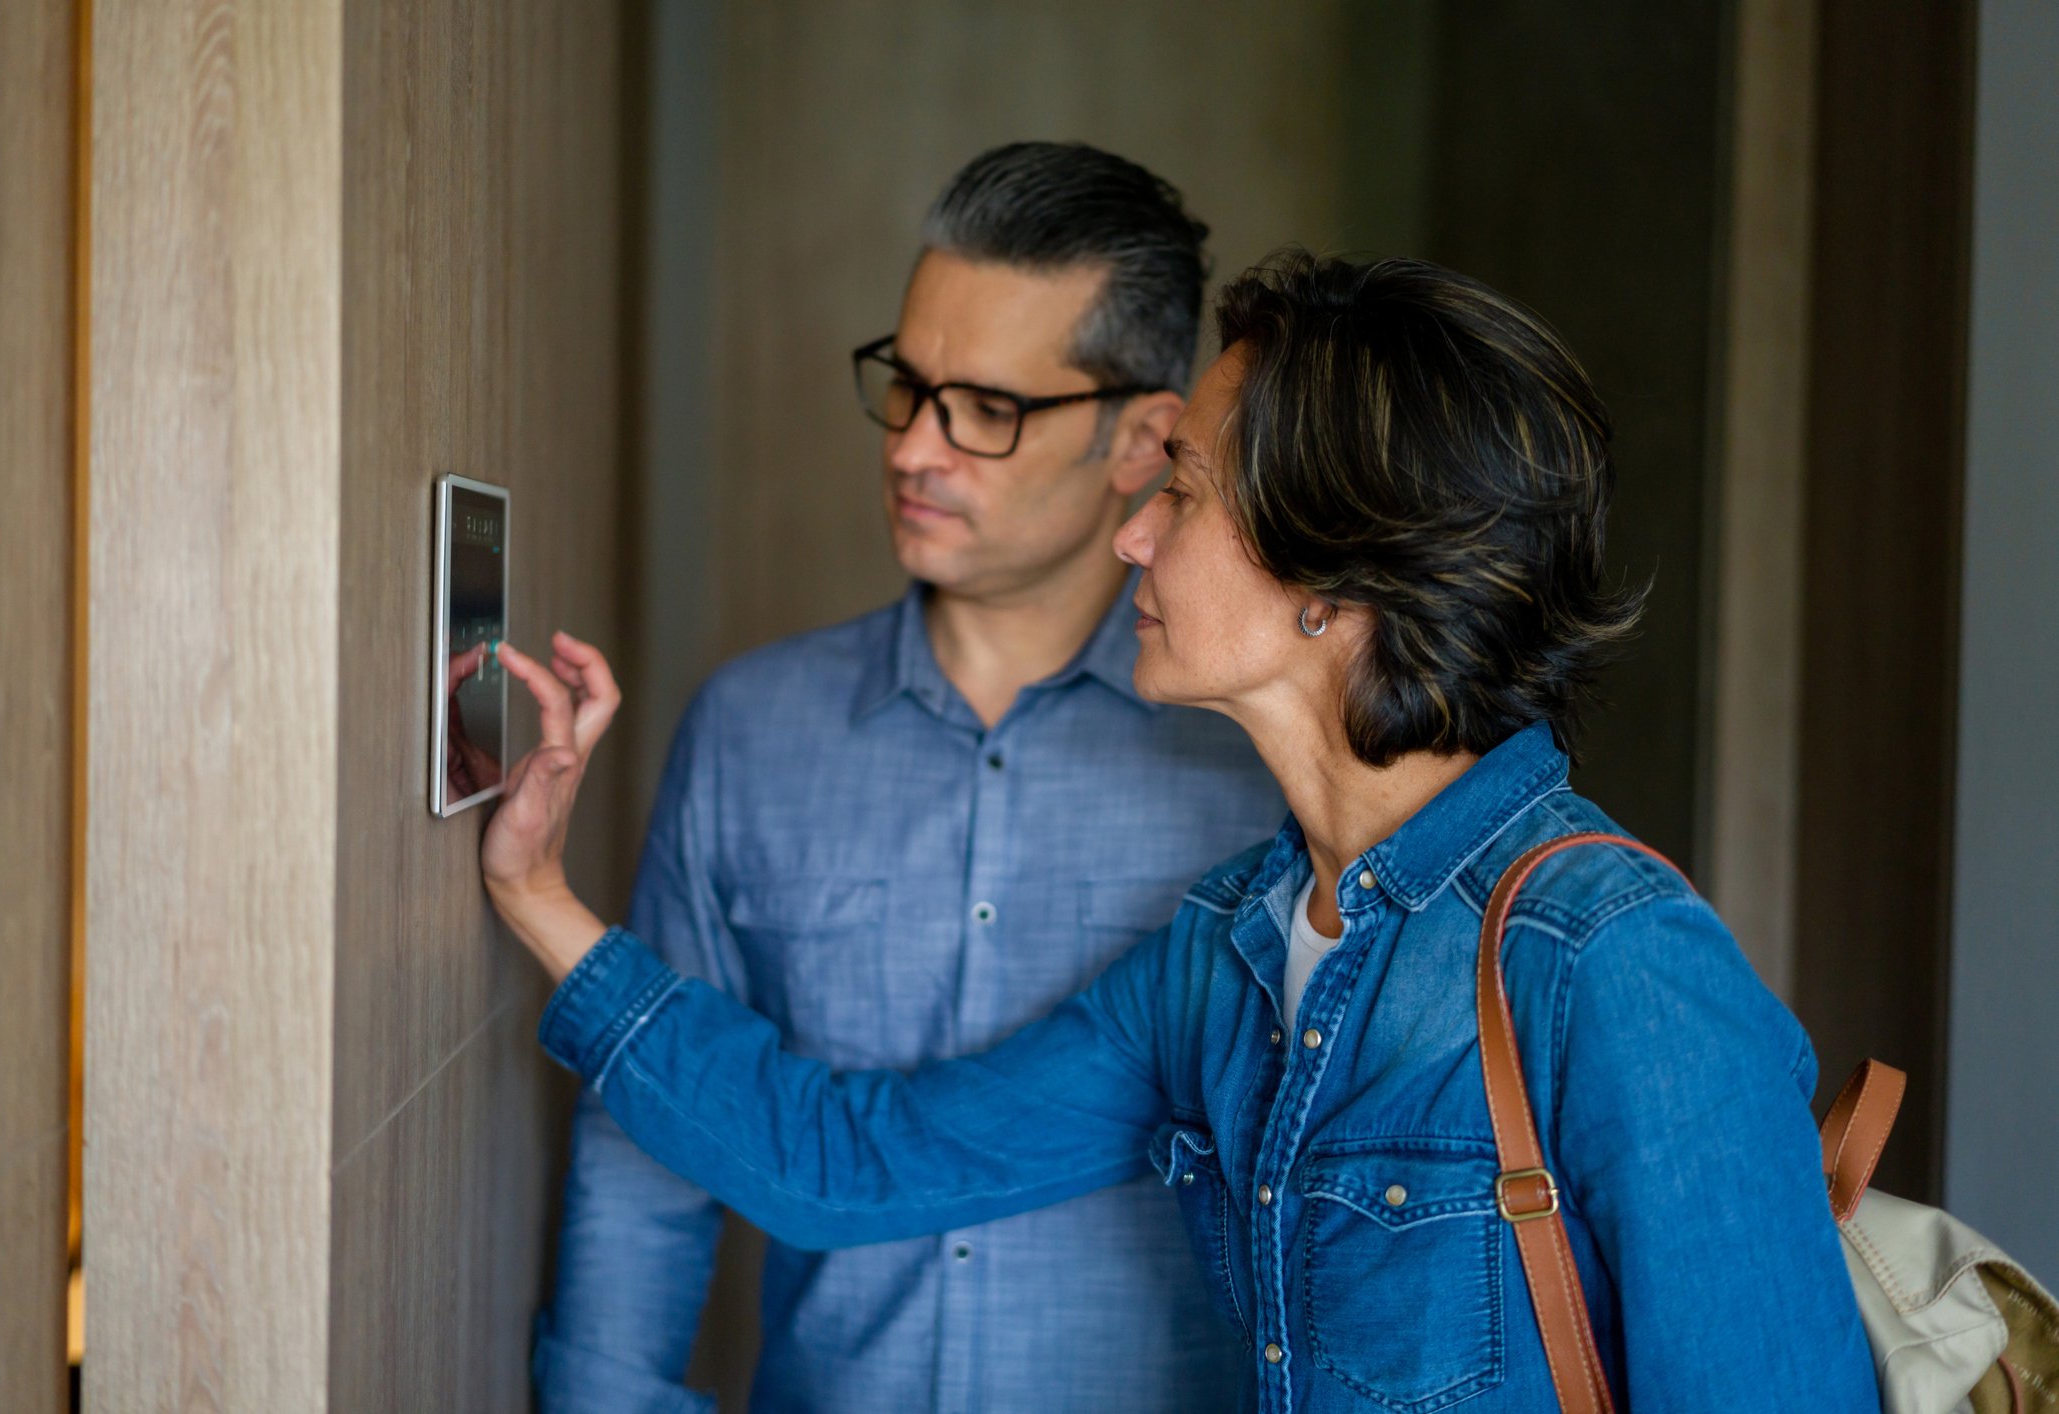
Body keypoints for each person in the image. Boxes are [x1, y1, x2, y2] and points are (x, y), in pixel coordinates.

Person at [487, 253, 1881, 1412]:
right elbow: (857, 1164)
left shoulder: (1621, 971)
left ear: (1335, 578)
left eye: (1188, 492)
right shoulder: (1223, 953)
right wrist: (544, 896)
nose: (1136, 536)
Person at [531, 142, 1284, 1414]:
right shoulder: (750, 731)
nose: (915, 448)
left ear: (1142, 441)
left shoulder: (1254, 766)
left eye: (986, 409)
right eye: (906, 384)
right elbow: (650, 1161)